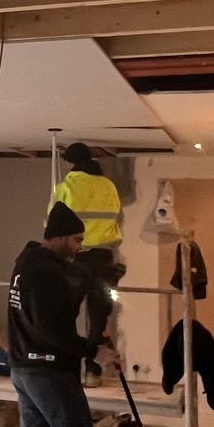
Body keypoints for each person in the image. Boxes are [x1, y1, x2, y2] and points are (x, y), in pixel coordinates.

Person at [7, 202, 120, 427]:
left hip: (25, 369)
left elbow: (55, 304)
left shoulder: (27, 265)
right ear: (56, 237)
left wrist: (89, 277)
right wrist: (93, 350)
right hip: (48, 372)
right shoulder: (44, 272)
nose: (77, 247)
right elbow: (50, 329)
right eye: (75, 240)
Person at [49, 143, 126, 361]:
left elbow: (52, 221)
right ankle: (92, 366)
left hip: (75, 255)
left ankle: (67, 361)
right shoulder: (108, 186)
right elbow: (115, 213)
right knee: (99, 312)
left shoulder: (67, 187)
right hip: (103, 255)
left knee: (66, 309)